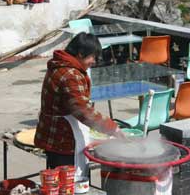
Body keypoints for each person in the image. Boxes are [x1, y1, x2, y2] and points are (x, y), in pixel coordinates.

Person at [34, 32, 124, 169]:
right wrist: (113, 128)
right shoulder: (70, 75)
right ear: (81, 53)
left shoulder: (60, 65)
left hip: (54, 135)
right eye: (92, 56)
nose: (93, 61)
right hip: (62, 138)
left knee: (58, 181)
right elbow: (83, 110)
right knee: (67, 184)